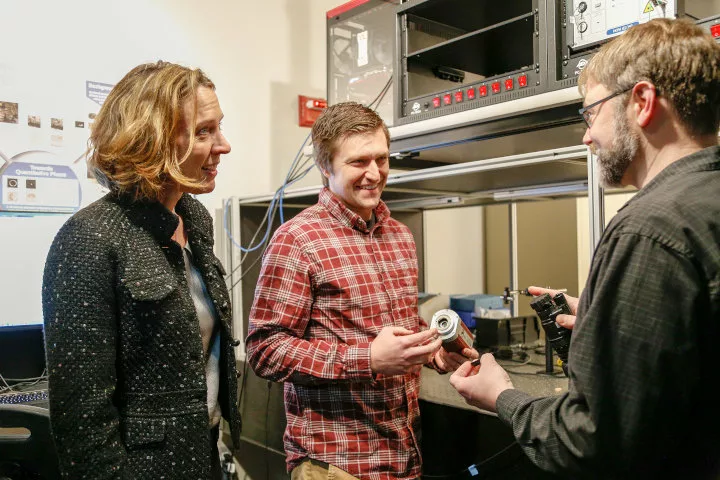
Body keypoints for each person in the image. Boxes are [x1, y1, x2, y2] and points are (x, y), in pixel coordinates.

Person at [450, 18, 720, 478]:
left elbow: (592, 441)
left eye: (590, 113)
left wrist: (503, 397)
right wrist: (608, 327)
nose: (586, 135)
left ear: (642, 102)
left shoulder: (648, 229)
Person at [245, 102, 478, 479]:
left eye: (382, 159)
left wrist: (428, 347)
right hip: (336, 464)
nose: (374, 173)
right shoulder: (297, 239)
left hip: (403, 456)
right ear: (325, 167)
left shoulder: (399, 236)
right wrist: (367, 358)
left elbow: (390, 322)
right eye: (358, 162)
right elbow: (265, 349)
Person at [42, 61, 241, 479]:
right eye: (204, 131)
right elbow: (82, 419)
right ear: (152, 139)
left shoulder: (195, 217)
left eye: (218, 127)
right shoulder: (89, 238)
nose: (223, 145)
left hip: (203, 454)